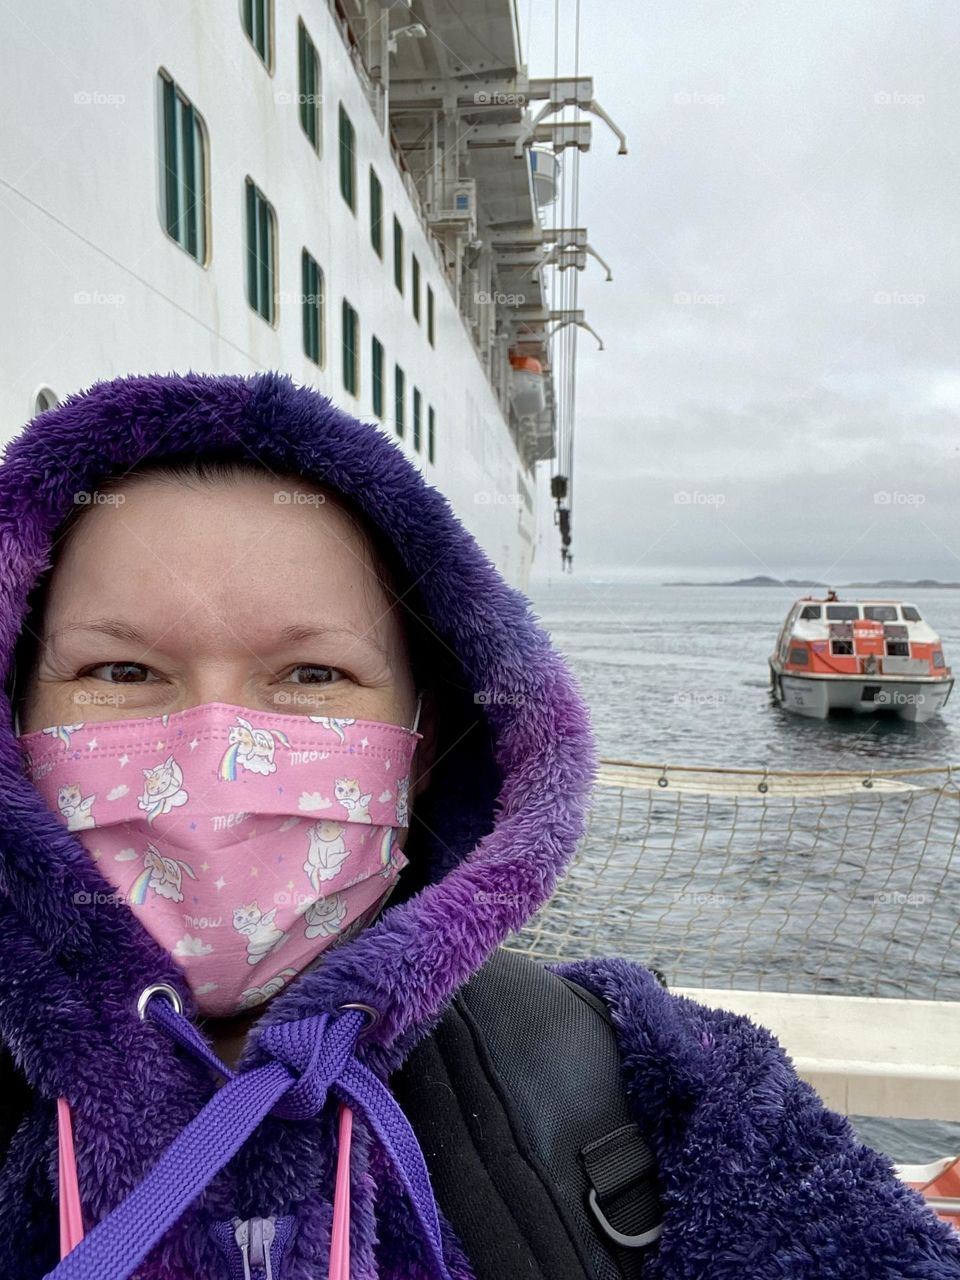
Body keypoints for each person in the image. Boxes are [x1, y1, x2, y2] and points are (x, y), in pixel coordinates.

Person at [0, 371, 958, 1280]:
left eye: (313, 675)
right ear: (17, 722)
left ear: (423, 744)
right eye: (118, 674)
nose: (214, 750)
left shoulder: (642, 1085)